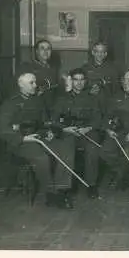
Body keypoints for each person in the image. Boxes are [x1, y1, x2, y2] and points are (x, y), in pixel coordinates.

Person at [0, 72, 75, 209]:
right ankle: (51, 194)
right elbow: (2, 129)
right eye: (31, 83)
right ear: (21, 85)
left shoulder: (38, 101)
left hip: (39, 137)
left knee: (65, 150)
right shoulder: (10, 103)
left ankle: (62, 189)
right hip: (22, 142)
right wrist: (23, 138)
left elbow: (44, 122)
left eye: (35, 82)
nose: (35, 85)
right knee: (42, 158)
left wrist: (49, 131)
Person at [51, 68, 102, 199]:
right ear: (71, 81)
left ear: (85, 82)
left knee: (93, 149)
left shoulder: (92, 99)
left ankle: (92, 185)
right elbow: (53, 120)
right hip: (69, 132)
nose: (79, 83)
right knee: (66, 150)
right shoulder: (62, 99)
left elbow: (98, 119)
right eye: (75, 80)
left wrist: (88, 128)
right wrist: (65, 128)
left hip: (87, 132)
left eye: (81, 80)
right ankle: (64, 188)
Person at [19, 39, 61, 114]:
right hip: (35, 107)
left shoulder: (53, 69)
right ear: (37, 51)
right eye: (42, 48)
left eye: (48, 49)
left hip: (50, 107)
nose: (45, 51)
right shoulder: (28, 67)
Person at [81, 41, 121, 113]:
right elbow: (80, 88)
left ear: (106, 54)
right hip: (89, 106)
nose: (100, 54)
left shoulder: (113, 69)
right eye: (97, 51)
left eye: (102, 52)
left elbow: (116, 90)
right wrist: (89, 92)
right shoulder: (85, 68)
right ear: (93, 52)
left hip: (107, 107)